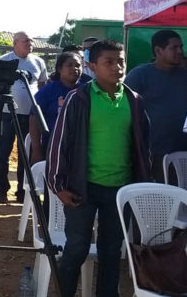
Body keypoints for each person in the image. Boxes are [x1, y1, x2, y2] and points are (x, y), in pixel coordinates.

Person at [47, 39, 151, 297]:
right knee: (76, 249)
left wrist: (142, 182)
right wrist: (58, 186)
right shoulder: (78, 98)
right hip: (83, 187)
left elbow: (142, 145)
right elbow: (59, 142)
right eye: (109, 62)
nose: (117, 67)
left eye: (121, 61)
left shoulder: (134, 100)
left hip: (120, 190)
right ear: (93, 66)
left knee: (111, 252)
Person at [124, 29, 187, 182]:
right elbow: (124, 109)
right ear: (158, 50)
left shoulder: (184, 76)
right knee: (156, 199)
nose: (180, 51)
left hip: (181, 152)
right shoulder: (139, 75)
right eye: (174, 48)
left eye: (181, 47)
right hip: (152, 152)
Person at [0, 31, 48, 203]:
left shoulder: (38, 61)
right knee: (2, 152)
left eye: (31, 41)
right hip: (6, 114)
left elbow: (42, 85)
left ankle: (23, 191)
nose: (30, 44)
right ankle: (1, 189)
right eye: (26, 41)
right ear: (15, 43)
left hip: (29, 116)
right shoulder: (4, 60)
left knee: (26, 153)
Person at [29, 51, 82, 164]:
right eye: (69, 65)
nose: (75, 68)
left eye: (78, 65)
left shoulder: (85, 91)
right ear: (59, 69)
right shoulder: (48, 90)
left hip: (79, 149)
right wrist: (36, 150)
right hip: (52, 147)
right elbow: (34, 118)